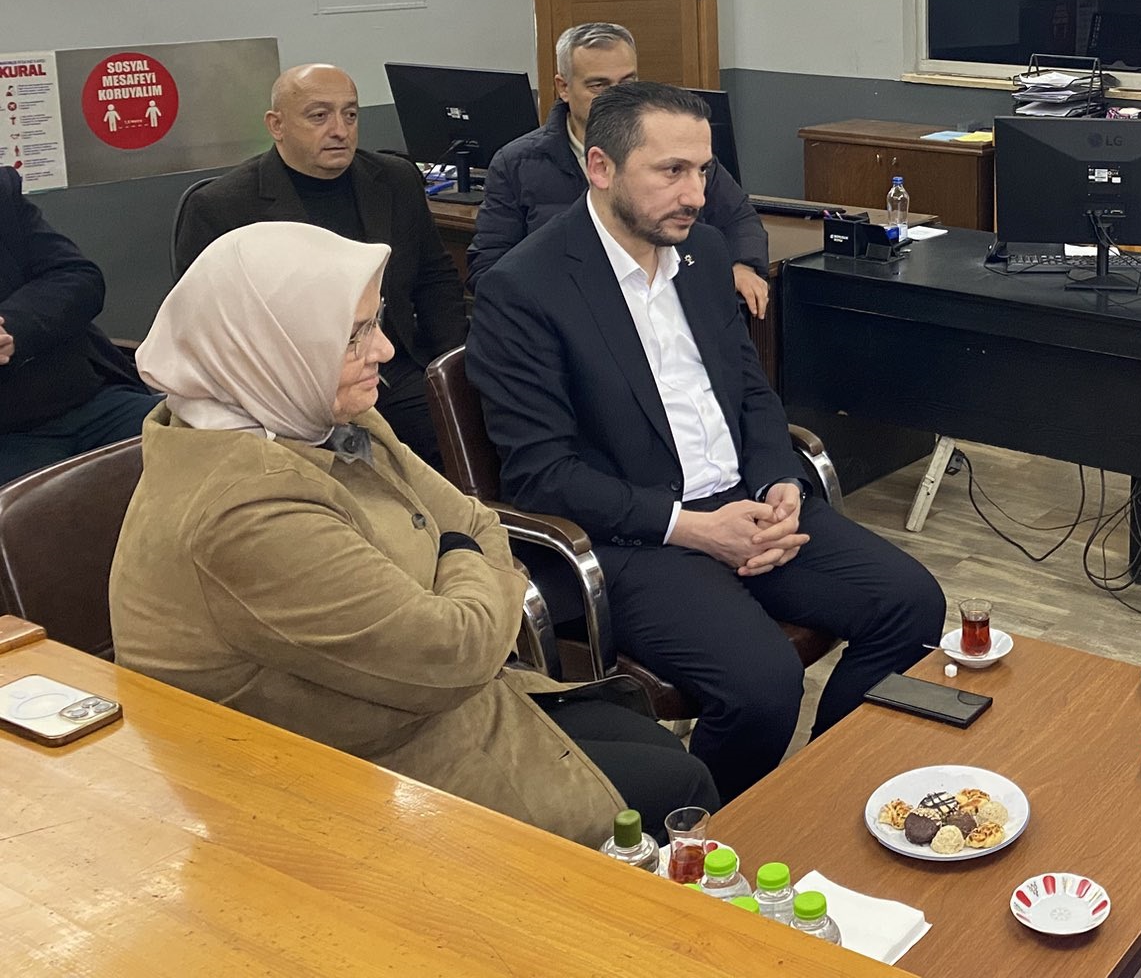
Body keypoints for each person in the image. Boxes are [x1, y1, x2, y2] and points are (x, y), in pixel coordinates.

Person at [109, 222, 717, 844]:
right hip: (343, 779)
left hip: (425, 708)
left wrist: (457, 567)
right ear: (267, 348)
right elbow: (457, 649)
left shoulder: (309, 411)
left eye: (375, 323)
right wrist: (461, 560)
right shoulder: (245, 511)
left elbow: (475, 519)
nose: (385, 350)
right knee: (682, 788)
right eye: (354, 335)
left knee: (658, 750)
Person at [466, 80, 944, 800]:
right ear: (600, 167)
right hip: (635, 536)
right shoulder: (526, 288)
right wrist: (693, 528)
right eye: (671, 171)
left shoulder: (705, 252)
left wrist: (780, 481)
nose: (695, 194)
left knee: (911, 604)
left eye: (703, 171)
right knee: (763, 684)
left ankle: (816, 789)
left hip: (745, 502)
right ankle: (707, 831)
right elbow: (542, 475)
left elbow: (750, 392)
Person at [175, 64, 465, 464]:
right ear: (276, 125)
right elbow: (206, 331)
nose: (340, 130)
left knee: (460, 439)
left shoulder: (396, 180)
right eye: (319, 116)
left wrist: (451, 369)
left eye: (350, 114)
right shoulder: (222, 207)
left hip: (392, 369)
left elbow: (436, 279)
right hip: (287, 394)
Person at [464, 23, 770, 314]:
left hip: (666, 304)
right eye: (599, 85)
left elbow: (738, 218)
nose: (616, 97)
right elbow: (489, 267)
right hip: (565, 320)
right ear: (564, 87)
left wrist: (742, 265)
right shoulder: (517, 163)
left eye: (627, 83)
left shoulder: (673, 153)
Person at [0, 166, 159, 483]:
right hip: (10, 437)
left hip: (90, 398)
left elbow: (79, 278)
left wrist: (12, 326)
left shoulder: (3, 196)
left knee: (208, 446)